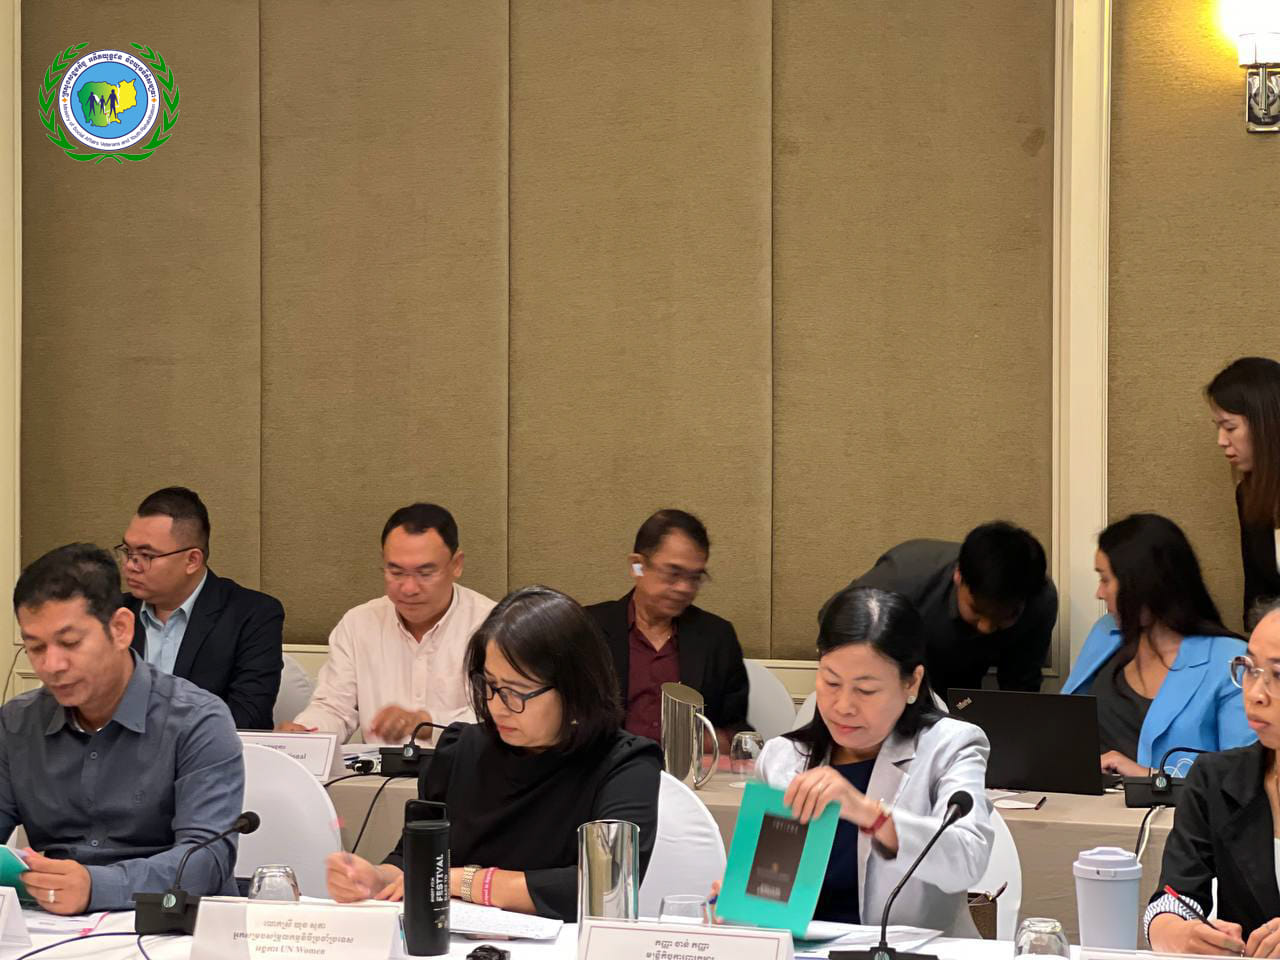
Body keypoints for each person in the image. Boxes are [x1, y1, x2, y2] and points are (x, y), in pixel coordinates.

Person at [324, 586, 661, 921]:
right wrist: (376, 879)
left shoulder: (624, 765)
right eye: (490, 686)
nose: (497, 706)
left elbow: (604, 887)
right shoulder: (460, 751)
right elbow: (415, 861)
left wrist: (465, 882)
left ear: (575, 688)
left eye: (517, 692)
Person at [0, 543, 244, 914]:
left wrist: (96, 886)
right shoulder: (17, 723)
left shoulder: (198, 720)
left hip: (170, 921)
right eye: (35, 648)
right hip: (48, 925)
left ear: (120, 629)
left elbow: (206, 863)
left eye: (69, 643)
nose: (51, 665)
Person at [756, 586, 994, 935]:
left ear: (912, 683)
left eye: (865, 690)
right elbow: (771, 889)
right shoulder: (781, 758)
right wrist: (742, 902)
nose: (843, 706)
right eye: (831, 682)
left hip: (910, 952)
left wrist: (868, 813)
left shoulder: (951, 745)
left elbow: (967, 860)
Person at [282, 502, 495, 743]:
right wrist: (305, 733)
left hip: (465, 766)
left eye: (425, 573)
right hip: (379, 768)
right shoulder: (358, 624)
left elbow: (500, 716)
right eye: (396, 573)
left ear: (456, 565)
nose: (409, 588)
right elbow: (334, 708)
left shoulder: (492, 626)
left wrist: (427, 724)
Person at [1063, 514, 1253, 777]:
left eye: (1105, 580)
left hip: (1169, 804)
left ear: (1143, 583)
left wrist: (1148, 776)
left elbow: (1243, 778)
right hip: (1076, 799)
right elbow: (1064, 725)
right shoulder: (1105, 633)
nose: (1099, 593)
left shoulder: (1231, 661)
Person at [1143, 600, 1280, 957]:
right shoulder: (1215, 778)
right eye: (1249, 669)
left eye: (1278, 675)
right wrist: (1177, 932)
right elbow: (1174, 897)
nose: (1255, 693)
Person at [119, 486, 284, 730]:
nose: (130, 565)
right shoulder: (111, 613)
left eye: (146, 555)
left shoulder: (252, 615)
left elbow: (248, 717)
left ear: (192, 560)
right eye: (127, 552)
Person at [827, 523, 1057, 698]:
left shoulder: (1040, 601)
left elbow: (1020, 687)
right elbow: (834, 619)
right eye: (976, 611)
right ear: (958, 576)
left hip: (962, 695)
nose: (986, 628)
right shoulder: (904, 578)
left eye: (1004, 617)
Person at [587, 509, 749, 748]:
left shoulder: (717, 637)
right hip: (609, 767)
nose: (685, 588)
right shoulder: (588, 630)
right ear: (637, 566)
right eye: (673, 573)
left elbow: (737, 732)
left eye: (694, 578)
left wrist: (704, 742)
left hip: (687, 769)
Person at [1207, 357, 1280, 625]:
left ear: (1267, 423)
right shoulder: (1248, 494)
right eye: (1218, 428)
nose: (1221, 441)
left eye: (1230, 427)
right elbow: (1257, 597)